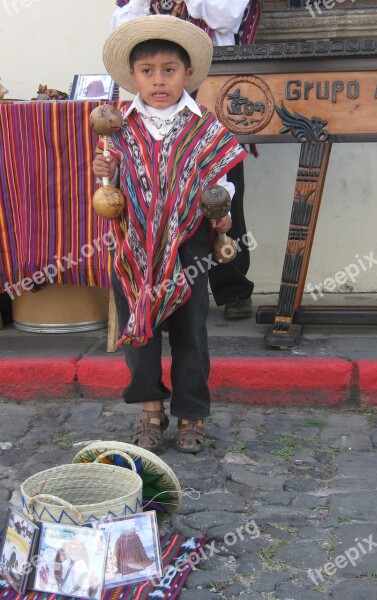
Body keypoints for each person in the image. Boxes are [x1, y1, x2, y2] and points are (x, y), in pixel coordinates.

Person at [93, 15, 247, 452]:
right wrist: (105, 172)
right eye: (147, 71)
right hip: (133, 249)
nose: (158, 80)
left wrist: (222, 209)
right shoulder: (117, 126)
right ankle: (150, 410)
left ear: (188, 73)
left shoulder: (205, 127)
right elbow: (110, 190)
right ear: (134, 77)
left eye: (169, 70)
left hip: (189, 247)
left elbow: (222, 180)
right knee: (139, 331)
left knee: (190, 333)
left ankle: (191, 415)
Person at [111, 0, 260, 319]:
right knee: (159, 194)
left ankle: (232, 287)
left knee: (223, 189)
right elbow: (121, 31)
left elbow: (228, 15)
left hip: (216, 90)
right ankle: (166, 293)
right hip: (158, 102)